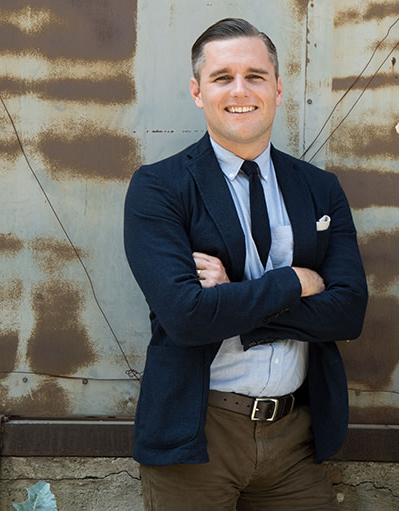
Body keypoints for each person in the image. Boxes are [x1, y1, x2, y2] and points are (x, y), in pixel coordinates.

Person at [123, 18, 368, 510]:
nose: (240, 90)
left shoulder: (320, 188)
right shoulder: (159, 188)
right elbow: (186, 317)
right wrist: (293, 281)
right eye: (222, 77)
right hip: (197, 433)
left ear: (277, 89)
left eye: (255, 76)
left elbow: (348, 313)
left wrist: (233, 292)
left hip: (295, 438)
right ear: (198, 92)